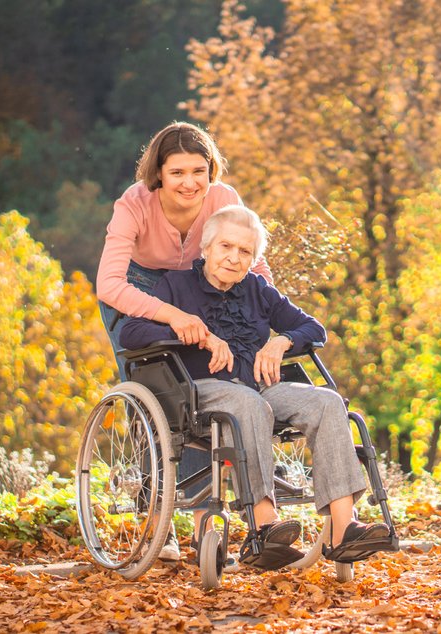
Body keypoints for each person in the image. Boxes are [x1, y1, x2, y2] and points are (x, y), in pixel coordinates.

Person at [120, 205, 391, 569]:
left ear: (253, 259)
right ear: (206, 247)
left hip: (262, 387)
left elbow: (314, 329)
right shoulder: (176, 285)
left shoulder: (257, 289)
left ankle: (343, 527)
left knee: (327, 402)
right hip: (200, 391)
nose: (234, 258)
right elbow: (131, 332)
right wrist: (191, 330)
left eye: (244, 251)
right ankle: (264, 526)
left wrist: (281, 342)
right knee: (247, 403)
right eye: (226, 247)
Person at [96, 122, 271, 563]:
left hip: (197, 286)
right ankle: (156, 516)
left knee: (197, 390)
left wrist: (268, 320)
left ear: (211, 170)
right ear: (158, 173)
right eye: (177, 172)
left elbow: (254, 268)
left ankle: (203, 521)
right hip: (138, 288)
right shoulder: (133, 204)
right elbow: (109, 284)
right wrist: (173, 316)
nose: (189, 183)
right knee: (155, 391)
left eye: (198, 171)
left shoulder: (224, 199)